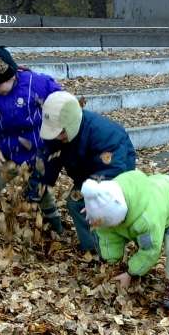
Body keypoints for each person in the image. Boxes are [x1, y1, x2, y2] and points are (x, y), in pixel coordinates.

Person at [81, 170, 169, 324]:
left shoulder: (146, 219)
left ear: (120, 216)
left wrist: (130, 273)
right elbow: (108, 236)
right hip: (158, 198)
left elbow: (151, 250)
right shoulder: (107, 203)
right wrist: (112, 263)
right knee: (131, 233)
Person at [31, 91, 137, 252]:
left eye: (61, 133)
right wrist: (36, 187)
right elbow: (48, 162)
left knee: (82, 203)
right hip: (87, 175)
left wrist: (90, 192)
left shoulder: (104, 134)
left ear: (72, 123)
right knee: (76, 203)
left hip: (116, 177)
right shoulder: (58, 135)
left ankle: (105, 249)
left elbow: (115, 170)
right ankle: (92, 248)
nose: (58, 138)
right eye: (55, 133)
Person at [0, 46, 64, 233]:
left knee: (43, 192)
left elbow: (59, 97)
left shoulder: (36, 83)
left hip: (37, 153)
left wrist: (59, 120)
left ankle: (54, 223)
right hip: (8, 154)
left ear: (11, 75)